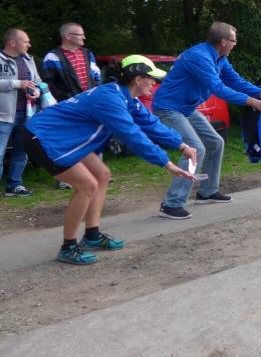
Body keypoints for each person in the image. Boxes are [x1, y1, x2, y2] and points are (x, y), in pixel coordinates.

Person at [22, 55, 197, 265]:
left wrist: (181, 145)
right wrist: (167, 164)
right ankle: (68, 247)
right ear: (138, 79)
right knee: (86, 185)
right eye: (151, 78)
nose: (154, 82)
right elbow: (132, 135)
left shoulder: (125, 97)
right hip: (43, 137)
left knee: (102, 175)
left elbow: (151, 124)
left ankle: (92, 235)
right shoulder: (110, 100)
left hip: (62, 137)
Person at [153, 22, 261, 220]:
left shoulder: (220, 58)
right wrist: (254, 102)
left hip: (186, 108)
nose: (235, 44)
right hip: (169, 108)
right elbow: (218, 88)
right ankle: (171, 204)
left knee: (215, 142)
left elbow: (235, 81)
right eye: (233, 40)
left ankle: (207, 191)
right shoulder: (199, 57)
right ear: (223, 41)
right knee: (195, 149)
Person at [41, 22, 102, 189]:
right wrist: (64, 100)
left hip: (89, 105)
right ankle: (65, 179)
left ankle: (96, 173)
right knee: (67, 141)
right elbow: (48, 84)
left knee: (93, 137)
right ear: (67, 36)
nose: (84, 38)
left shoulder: (87, 53)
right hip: (66, 107)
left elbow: (96, 76)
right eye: (80, 34)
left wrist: (96, 95)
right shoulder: (52, 57)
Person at [0, 28, 41, 197]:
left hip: (26, 114)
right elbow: (17, 83)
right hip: (3, 115)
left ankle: (14, 185)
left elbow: (37, 81)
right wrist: (17, 84)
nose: (29, 45)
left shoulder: (28, 60)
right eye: (26, 42)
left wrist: (36, 91)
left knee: (22, 152)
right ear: (12, 42)